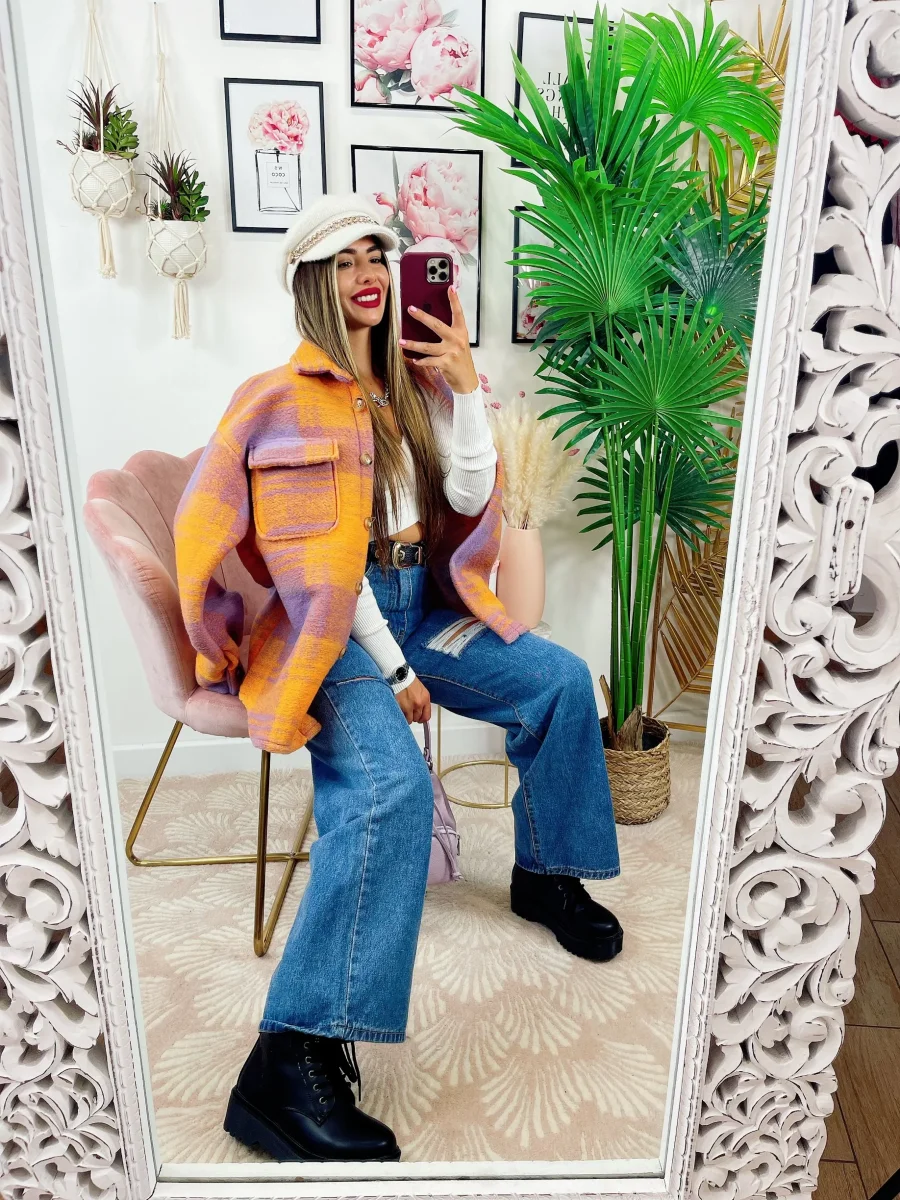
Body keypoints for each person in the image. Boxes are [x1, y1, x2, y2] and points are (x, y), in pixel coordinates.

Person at [174, 195, 622, 1164]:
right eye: (344, 260)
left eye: (377, 253)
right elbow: (298, 569)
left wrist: (463, 391)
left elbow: (466, 496)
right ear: (311, 281)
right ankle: (287, 1059)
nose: (369, 273)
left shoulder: (413, 387)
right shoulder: (278, 402)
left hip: (422, 602)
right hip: (337, 633)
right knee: (390, 789)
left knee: (557, 679)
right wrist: (387, 670)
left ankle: (547, 877)